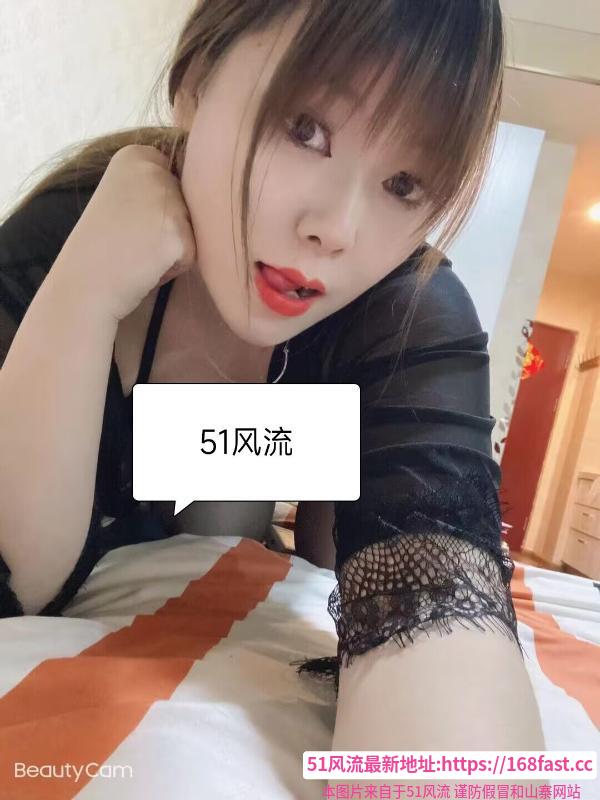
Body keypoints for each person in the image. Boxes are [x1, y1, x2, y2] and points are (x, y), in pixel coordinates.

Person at [0, 0, 544, 762]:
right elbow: (16, 584)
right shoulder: (62, 240)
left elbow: (427, 620)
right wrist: (83, 294)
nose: (337, 228)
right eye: (305, 129)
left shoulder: (406, 311)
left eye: (403, 183)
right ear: (195, 81)